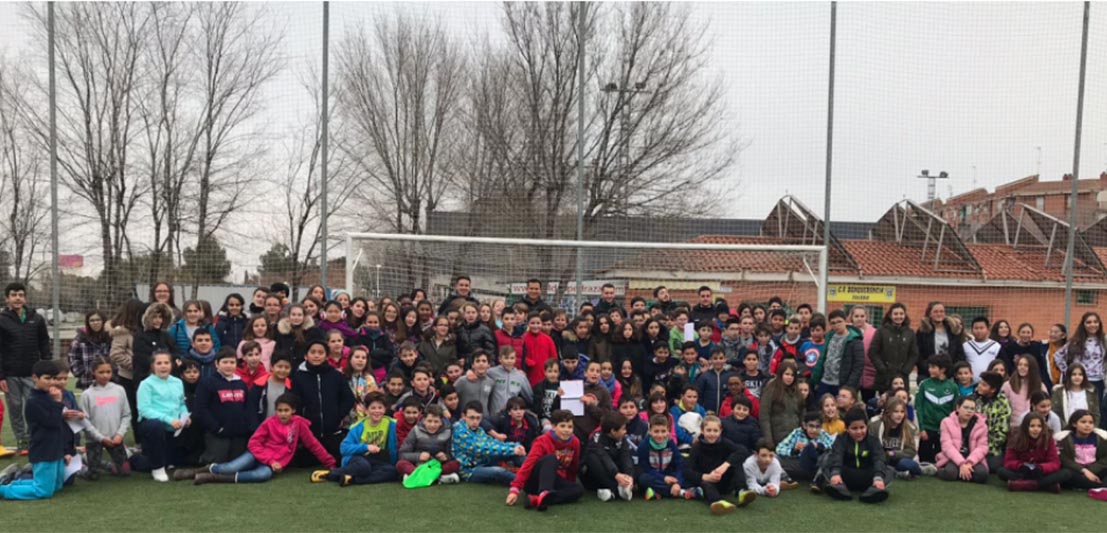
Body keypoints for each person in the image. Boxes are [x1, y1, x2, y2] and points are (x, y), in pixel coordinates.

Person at [193, 393, 336, 485]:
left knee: (263, 475)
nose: (282, 414)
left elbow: (313, 444)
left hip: (272, 464)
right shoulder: (269, 422)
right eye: (279, 410)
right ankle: (201, 471)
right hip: (258, 455)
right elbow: (253, 443)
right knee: (232, 467)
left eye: (286, 410)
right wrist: (270, 460)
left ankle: (214, 478)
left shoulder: (299, 424)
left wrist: (330, 462)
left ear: (293, 410)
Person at [0, 361, 66, 500]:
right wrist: (58, 403)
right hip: (44, 451)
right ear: (35, 378)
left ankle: (12, 480)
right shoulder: (34, 401)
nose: (52, 382)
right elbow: (52, 422)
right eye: (47, 378)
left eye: (54, 378)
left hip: (55, 449)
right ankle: (3, 490)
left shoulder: (48, 396)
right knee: (43, 491)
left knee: (57, 486)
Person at [0, 282, 53, 455]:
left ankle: (35, 439)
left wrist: (46, 365)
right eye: (14, 295)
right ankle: (22, 441)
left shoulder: (36, 318)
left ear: (25, 298)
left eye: (21, 295)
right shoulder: (2, 320)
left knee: (34, 406)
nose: (17, 298)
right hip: (10, 374)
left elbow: (44, 342)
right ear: (7, 298)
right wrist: (1, 376)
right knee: (15, 407)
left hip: (33, 373)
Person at [312, 391, 398, 486]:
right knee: (364, 467)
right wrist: (366, 447)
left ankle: (352, 479)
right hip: (357, 458)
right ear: (366, 410)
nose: (377, 411)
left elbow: (394, 448)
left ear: (385, 409)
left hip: (376, 460)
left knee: (392, 471)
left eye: (380, 408)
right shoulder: (357, 426)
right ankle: (331, 474)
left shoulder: (391, 424)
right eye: (373, 408)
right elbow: (344, 448)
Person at [291, 340, 355, 464]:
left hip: (332, 430)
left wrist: (339, 415)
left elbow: (348, 398)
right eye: (313, 352)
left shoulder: (336, 376)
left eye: (320, 353)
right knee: (304, 463)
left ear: (326, 356)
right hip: (309, 432)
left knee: (337, 460)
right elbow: (295, 401)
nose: (316, 355)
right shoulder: (299, 376)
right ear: (306, 356)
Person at [506, 409, 583, 511]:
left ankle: (537, 499)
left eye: (570, 427)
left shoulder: (575, 442)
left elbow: (573, 466)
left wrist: (568, 484)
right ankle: (544, 492)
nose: (566, 430)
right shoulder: (542, 441)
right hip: (534, 481)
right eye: (562, 426)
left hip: (555, 479)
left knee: (577, 490)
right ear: (554, 427)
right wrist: (515, 489)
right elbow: (528, 465)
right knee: (551, 458)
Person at [190, 348, 253, 467]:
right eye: (225, 362)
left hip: (238, 433)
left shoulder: (241, 383)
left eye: (232, 362)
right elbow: (200, 409)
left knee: (237, 465)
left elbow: (247, 407)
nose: (229, 366)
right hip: (218, 433)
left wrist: (246, 427)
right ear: (217, 364)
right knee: (216, 463)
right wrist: (216, 428)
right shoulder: (207, 382)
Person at [135, 351, 191, 482]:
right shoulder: (146, 384)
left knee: (173, 460)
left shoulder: (177, 382)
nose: (163, 366)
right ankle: (157, 467)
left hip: (174, 426)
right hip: (153, 425)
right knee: (156, 426)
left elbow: (181, 403)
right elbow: (144, 410)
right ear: (152, 366)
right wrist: (169, 419)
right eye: (159, 363)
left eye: (166, 362)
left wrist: (185, 416)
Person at [684, 415, 754, 515]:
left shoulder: (724, 442)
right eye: (708, 430)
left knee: (736, 462)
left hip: (724, 479)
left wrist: (725, 466)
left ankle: (741, 491)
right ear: (702, 431)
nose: (712, 434)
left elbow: (742, 451)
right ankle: (717, 502)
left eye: (715, 431)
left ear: (720, 431)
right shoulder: (697, 447)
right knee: (705, 484)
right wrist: (706, 477)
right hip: (709, 482)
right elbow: (687, 471)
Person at [821, 408, 890, 503]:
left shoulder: (873, 440)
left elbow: (879, 458)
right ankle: (839, 489)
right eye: (854, 428)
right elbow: (837, 455)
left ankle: (873, 492)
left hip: (868, 477)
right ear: (847, 429)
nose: (859, 432)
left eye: (862, 427)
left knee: (889, 470)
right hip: (845, 476)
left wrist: (878, 477)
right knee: (826, 461)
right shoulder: (841, 439)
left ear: (867, 426)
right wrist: (835, 473)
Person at [78, 359, 132, 480]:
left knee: (125, 471)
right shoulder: (87, 394)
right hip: (95, 439)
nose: (105, 375)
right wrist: (101, 438)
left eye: (108, 372)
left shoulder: (119, 390)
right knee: (93, 476)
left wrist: (120, 434)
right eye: (101, 372)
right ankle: (80, 466)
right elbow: (85, 422)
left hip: (115, 439)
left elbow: (126, 415)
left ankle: (104, 465)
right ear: (93, 372)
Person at [452, 401, 527, 485]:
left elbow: (492, 442)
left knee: (517, 454)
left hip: (485, 461)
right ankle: (525, 482)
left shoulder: (479, 430)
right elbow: (481, 448)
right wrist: (512, 449)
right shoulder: (460, 431)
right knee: (498, 471)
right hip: (470, 470)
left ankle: (534, 471)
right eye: (471, 418)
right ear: (464, 416)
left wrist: (515, 446)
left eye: (478, 418)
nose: (475, 421)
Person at [1055, 312, 1106, 429]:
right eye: (1088, 322)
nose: (1092, 325)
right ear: (1083, 324)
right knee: (1078, 410)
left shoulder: (1104, 341)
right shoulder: (1076, 341)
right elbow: (1058, 356)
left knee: (1094, 414)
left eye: (1095, 322)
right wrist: (1069, 372)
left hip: (1098, 382)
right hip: (1080, 381)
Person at [997, 413, 1070, 492]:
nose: (1036, 429)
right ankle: (1046, 486)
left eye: (1039, 426)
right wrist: (1020, 466)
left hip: (1041, 472)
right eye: (1032, 426)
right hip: (1022, 471)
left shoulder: (1048, 438)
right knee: (1001, 471)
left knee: (1066, 473)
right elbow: (1009, 461)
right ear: (1025, 427)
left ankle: (1025, 485)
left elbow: (1055, 462)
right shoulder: (1015, 437)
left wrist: (1041, 468)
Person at [637, 414, 697, 500]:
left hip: (670, 475)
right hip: (655, 476)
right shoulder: (644, 445)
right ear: (650, 431)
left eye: (663, 431)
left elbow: (679, 464)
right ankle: (681, 492)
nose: (660, 435)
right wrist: (664, 478)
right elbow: (646, 468)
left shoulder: (670, 443)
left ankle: (658, 492)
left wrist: (677, 483)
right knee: (643, 479)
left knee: (688, 475)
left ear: (668, 431)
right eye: (656, 431)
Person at [397, 404, 460, 484]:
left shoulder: (447, 432)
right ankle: (439, 478)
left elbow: (451, 454)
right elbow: (402, 454)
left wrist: (445, 457)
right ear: (424, 420)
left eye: (436, 422)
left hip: (436, 465)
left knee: (455, 464)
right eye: (429, 421)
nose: (432, 425)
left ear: (441, 422)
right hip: (418, 465)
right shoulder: (416, 430)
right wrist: (418, 456)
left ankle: (418, 477)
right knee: (400, 464)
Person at [580, 411, 636, 502]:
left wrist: (629, 476)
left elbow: (626, 456)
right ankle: (615, 488)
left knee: (632, 464)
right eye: (623, 429)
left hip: (614, 474)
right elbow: (604, 458)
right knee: (592, 458)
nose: (625, 432)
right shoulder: (596, 439)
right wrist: (616, 475)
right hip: (594, 477)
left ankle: (615, 490)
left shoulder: (622, 439)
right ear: (613, 431)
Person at [811, 310, 864, 401]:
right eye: (833, 323)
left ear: (845, 321)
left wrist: (848, 386)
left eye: (839, 321)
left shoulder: (855, 340)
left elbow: (858, 365)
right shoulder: (829, 337)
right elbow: (822, 358)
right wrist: (816, 378)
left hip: (842, 384)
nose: (836, 325)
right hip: (825, 381)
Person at [935, 395, 989, 484]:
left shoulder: (981, 425)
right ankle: (940, 471)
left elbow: (983, 447)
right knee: (950, 473)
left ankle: (963, 474)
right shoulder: (946, 422)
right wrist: (961, 463)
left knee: (982, 475)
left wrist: (969, 462)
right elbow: (947, 446)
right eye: (966, 407)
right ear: (958, 408)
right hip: (952, 457)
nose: (969, 411)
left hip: (972, 458)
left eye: (972, 409)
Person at [915, 355, 958, 464]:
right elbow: (918, 407)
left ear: (942, 369)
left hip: (944, 431)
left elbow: (955, 411)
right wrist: (921, 428)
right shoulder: (924, 384)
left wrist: (951, 430)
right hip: (927, 429)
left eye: (933, 367)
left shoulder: (953, 387)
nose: (930, 370)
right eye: (929, 367)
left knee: (941, 460)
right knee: (924, 460)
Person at [868, 304, 918, 393]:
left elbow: (914, 354)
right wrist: (882, 368)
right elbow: (873, 352)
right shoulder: (881, 331)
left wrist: (906, 370)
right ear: (890, 315)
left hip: (902, 377)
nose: (898, 316)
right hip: (885, 376)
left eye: (901, 314)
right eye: (896, 314)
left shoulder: (910, 333)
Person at [869, 397, 923, 479]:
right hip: (880, 459)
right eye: (896, 411)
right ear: (888, 412)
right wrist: (883, 455)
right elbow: (871, 446)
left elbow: (911, 451)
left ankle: (896, 471)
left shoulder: (908, 427)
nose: (899, 415)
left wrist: (894, 453)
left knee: (907, 464)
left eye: (902, 412)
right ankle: (897, 473)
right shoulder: (876, 426)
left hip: (899, 460)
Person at [1055, 409, 1107, 490]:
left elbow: (1105, 459)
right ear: (1074, 424)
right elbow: (1064, 459)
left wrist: (1091, 471)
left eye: (1090, 422)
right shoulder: (1064, 439)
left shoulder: (1101, 438)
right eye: (1083, 422)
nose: (1087, 425)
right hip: (1076, 472)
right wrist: (1084, 471)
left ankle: (1099, 487)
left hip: (1095, 471)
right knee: (1066, 473)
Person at [974, 371, 1012, 472]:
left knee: (993, 465)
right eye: (980, 383)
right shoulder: (974, 399)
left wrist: (985, 448)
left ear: (993, 390)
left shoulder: (1002, 404)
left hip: (991, 449)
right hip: (973, 444)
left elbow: (1001, 433)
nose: (980, 387)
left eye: (984, 385)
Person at [759, 361, 803, 446]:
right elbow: (764, 416)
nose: (789, 377)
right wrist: (769, 440)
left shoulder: (797, 393)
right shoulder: (770, 390)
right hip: (776, 437)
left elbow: (801, 415)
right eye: (787, 374)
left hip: (795, 438)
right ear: (780, 374)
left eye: (792, 375)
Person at [916, 301, 966, 375]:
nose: (939, 314)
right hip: (928, 373)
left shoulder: (952, 330)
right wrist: (927, 367)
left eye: (941, 311)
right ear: (929, 314)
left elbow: (959, 353)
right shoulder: (923, 331)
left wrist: (952, 369)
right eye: (935, 312)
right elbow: (918, 353)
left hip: (949, 374)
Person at [67, 310, 111, 390]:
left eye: (98, 320)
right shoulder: (80, 339)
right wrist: (83, 372)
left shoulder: (109, 338)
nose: (95, 323)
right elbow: (73, 358)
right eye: (92, 320)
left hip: (109, 382)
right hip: (87, 382)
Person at [1001, 354, 1047, 428]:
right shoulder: (1008, 385)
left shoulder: (1040, 386)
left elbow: (1045, 407)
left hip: (1034, 428)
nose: (1022, 367)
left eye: (1026, 365)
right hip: (1014, 428)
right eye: (1020, 365)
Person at [486, 346, 533, 416]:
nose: (509, 361)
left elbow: (529, 397)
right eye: (506, 358)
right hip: (495, 415)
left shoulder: (521, 376)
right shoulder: (491, 372)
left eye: (512, 358)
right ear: (500, 359)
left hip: (512, 417)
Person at [275, 304, 325, 368]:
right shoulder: (282, 332)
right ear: (289, 316)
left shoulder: (313, 332)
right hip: (286, 368)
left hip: (306, 367)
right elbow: (278, 350)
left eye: (299, 315)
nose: (296, 318)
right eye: (293, 315)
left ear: (304, 316)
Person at [248, 353, 292, 423]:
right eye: (279, 367)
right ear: (271, 367)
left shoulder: (292, 387)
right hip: (263, 427)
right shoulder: (259, 385)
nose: (283, 370)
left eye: (286, 367)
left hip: (284, 429)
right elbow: (251, 408)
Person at [1052, 363, 1100, 427]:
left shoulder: (1091, 391)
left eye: (1080, 374)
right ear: (1069, 376)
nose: (1077, 377)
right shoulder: (1059, 392)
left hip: (1088, 428)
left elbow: (1096, 413)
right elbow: (1056, 413)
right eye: (1074, 374)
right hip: (1066, 429)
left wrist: (1091, 427)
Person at [521, 312, 559, 387]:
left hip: (545, 376)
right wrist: (527, 361)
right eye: (532, 323)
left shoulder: (548, 339)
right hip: (529, 375)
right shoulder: (523, 339)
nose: (535, 326)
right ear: (528, 324)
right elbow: (519, 356)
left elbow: (554, 358)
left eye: (538, 323)